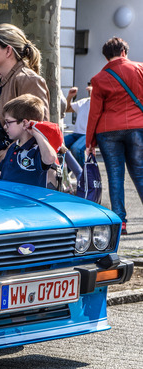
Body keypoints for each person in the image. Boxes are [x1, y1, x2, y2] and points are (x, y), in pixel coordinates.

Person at [86, 37, 143, 235]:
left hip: (107, 131)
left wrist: (89, 142)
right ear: (124, 52)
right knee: (141, 173)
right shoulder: (140, 69)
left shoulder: (98, 79)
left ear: (106, 56)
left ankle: (121, 222)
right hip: (137, 126)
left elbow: (94, 113)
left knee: (115, 176)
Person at [0, 23, 50, 175]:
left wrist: (9, 156)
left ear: (8, 50)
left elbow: (39, 130)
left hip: (17, 172)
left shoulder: (28, 80)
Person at [0, 94, 57, 187]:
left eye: (8, 122)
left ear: (24, 122)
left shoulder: (37, 149)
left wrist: (36, 132)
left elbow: (50, 158)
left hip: (28, 201)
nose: (5, 127)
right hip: (9, 200)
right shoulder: (13, 147)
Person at [64, 82, 92, 170]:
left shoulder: (100, 101)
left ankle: (83, 175)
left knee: (76, 148)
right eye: (89, 84)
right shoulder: (83, 101)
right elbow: (67, 109)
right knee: (59, 144)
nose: (89, 87)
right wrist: (70, 97)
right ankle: (66, 173)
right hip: (76, 134)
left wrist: (94, 94)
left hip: (88, 134)